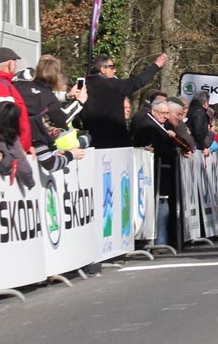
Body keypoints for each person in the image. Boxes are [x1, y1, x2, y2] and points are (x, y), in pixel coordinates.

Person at [132, 98, 189, 246]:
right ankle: (159, 240)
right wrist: (175, 150)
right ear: (154, 112)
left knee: (163, 205)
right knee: (160, 205)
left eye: (167, 113)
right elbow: (158, 149)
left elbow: (187, 145)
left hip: (162, 173)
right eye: (162, 113)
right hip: (153, 174)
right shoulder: (149, 127)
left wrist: (176, 140)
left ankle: (163, 239)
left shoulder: (163, 127)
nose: (165, 116)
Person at [80, 52, 167, 148]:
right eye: (111, 67)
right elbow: (138, 81)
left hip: (92, 142)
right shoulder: (114, 86)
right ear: (102, 69)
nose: (115, 71)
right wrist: (156, 66)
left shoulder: (83, 87)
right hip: (116, 141)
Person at [0, 47, 33, 153]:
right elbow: (11, 121)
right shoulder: (3, 87)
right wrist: (22, 148)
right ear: (10, 64)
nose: (16, 66)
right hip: (10, 149)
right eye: (15, 63)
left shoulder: (1, 84)